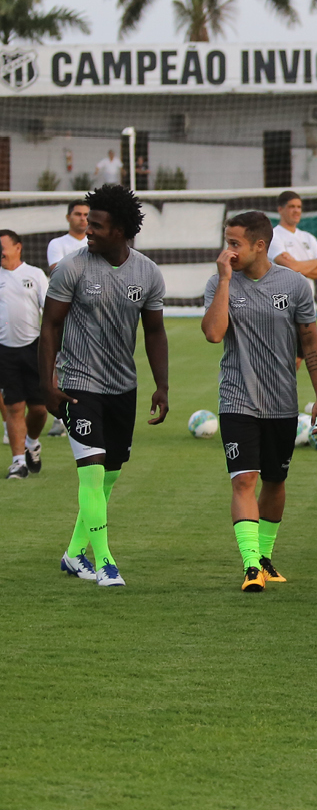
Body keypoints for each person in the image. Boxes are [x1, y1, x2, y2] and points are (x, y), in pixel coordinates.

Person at [39, 183, 170, 586]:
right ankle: (106, 562)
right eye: (86, 223)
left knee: (109, 474)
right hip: (79, 384)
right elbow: (50, 327)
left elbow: (154, 332)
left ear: (120, 230)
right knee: (91, 473)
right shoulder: (72, 268)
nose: (88, 231)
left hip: (121, 388)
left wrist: (161, 385)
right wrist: (48, 383)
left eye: (96, 225)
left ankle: (74, 553)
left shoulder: (147, 272)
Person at [201, 211, 317, 592]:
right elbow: (213, 333)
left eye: (235, 243)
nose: (229, 251)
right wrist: (224, 280)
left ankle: (265, 558)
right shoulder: (219, 282)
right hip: (237, 400)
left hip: (283, 403)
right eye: (227, 242)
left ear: (260, 245)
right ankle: (251, 564)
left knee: (275, 481)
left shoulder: (294, 285)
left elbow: (310, 342)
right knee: (245, 479)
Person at [0, 231, 49, 479]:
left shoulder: (35, 275)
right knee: (14, 407)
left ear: (17, 247)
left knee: (40, 409)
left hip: (33, 349)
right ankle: (18, 462)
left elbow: (49, 311)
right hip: (4, 351)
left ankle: (32, 443)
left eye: (2, 246)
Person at [269, 191, 317, 282]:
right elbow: (291, 267)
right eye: (292, 207)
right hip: (284, 295)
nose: (296, 211)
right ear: (280, 209)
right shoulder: (273, 236)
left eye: (299, 207)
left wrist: (296, 266)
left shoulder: (309, 237)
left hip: (308, 295)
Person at [48, 200, 91, 272]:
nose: (82, 218)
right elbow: (59, 271)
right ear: (68, 217)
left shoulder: (99, 243)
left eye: (86, 215)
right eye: (78, 214)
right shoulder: (57, 243)